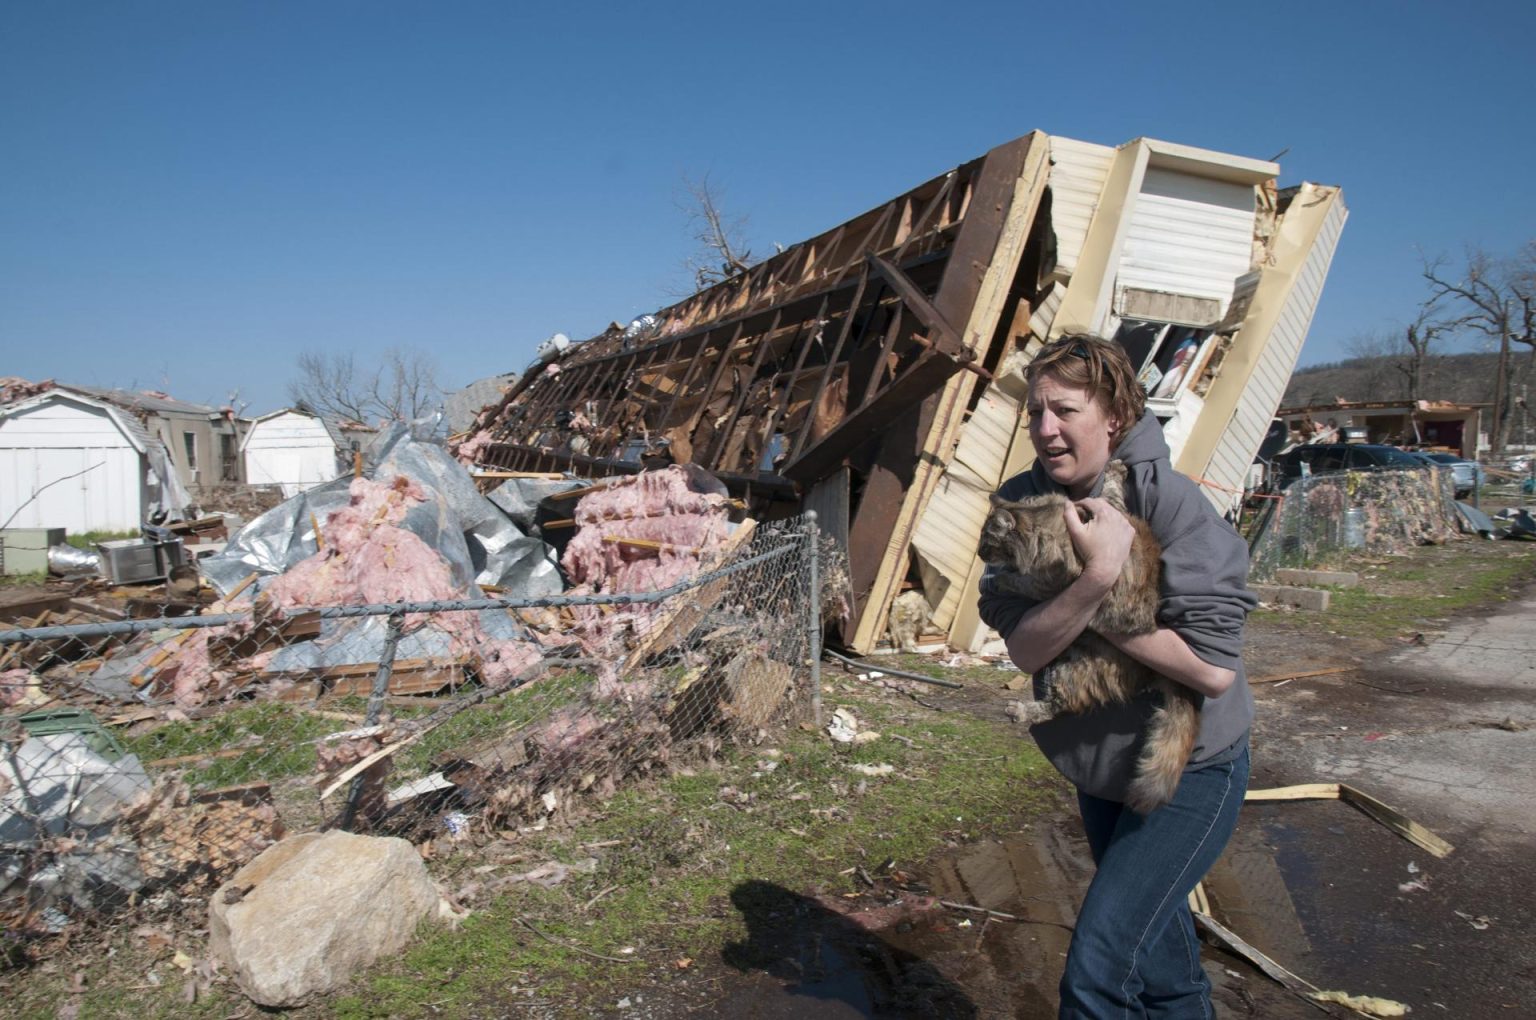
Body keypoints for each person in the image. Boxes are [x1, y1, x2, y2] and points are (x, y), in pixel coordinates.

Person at [977, 334, 1257, 1019]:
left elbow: (1213, 671)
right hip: (1100, 766)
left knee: (1098, 976)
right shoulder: (1020, 501)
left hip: (1190, 766)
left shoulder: (1171, 503)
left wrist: (1089, 601)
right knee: (1162, 968)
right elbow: (1026, 649)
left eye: (1065, 410)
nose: (1045, 429)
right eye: (1035, 412)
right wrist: (1098, 577)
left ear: (1113, 415)